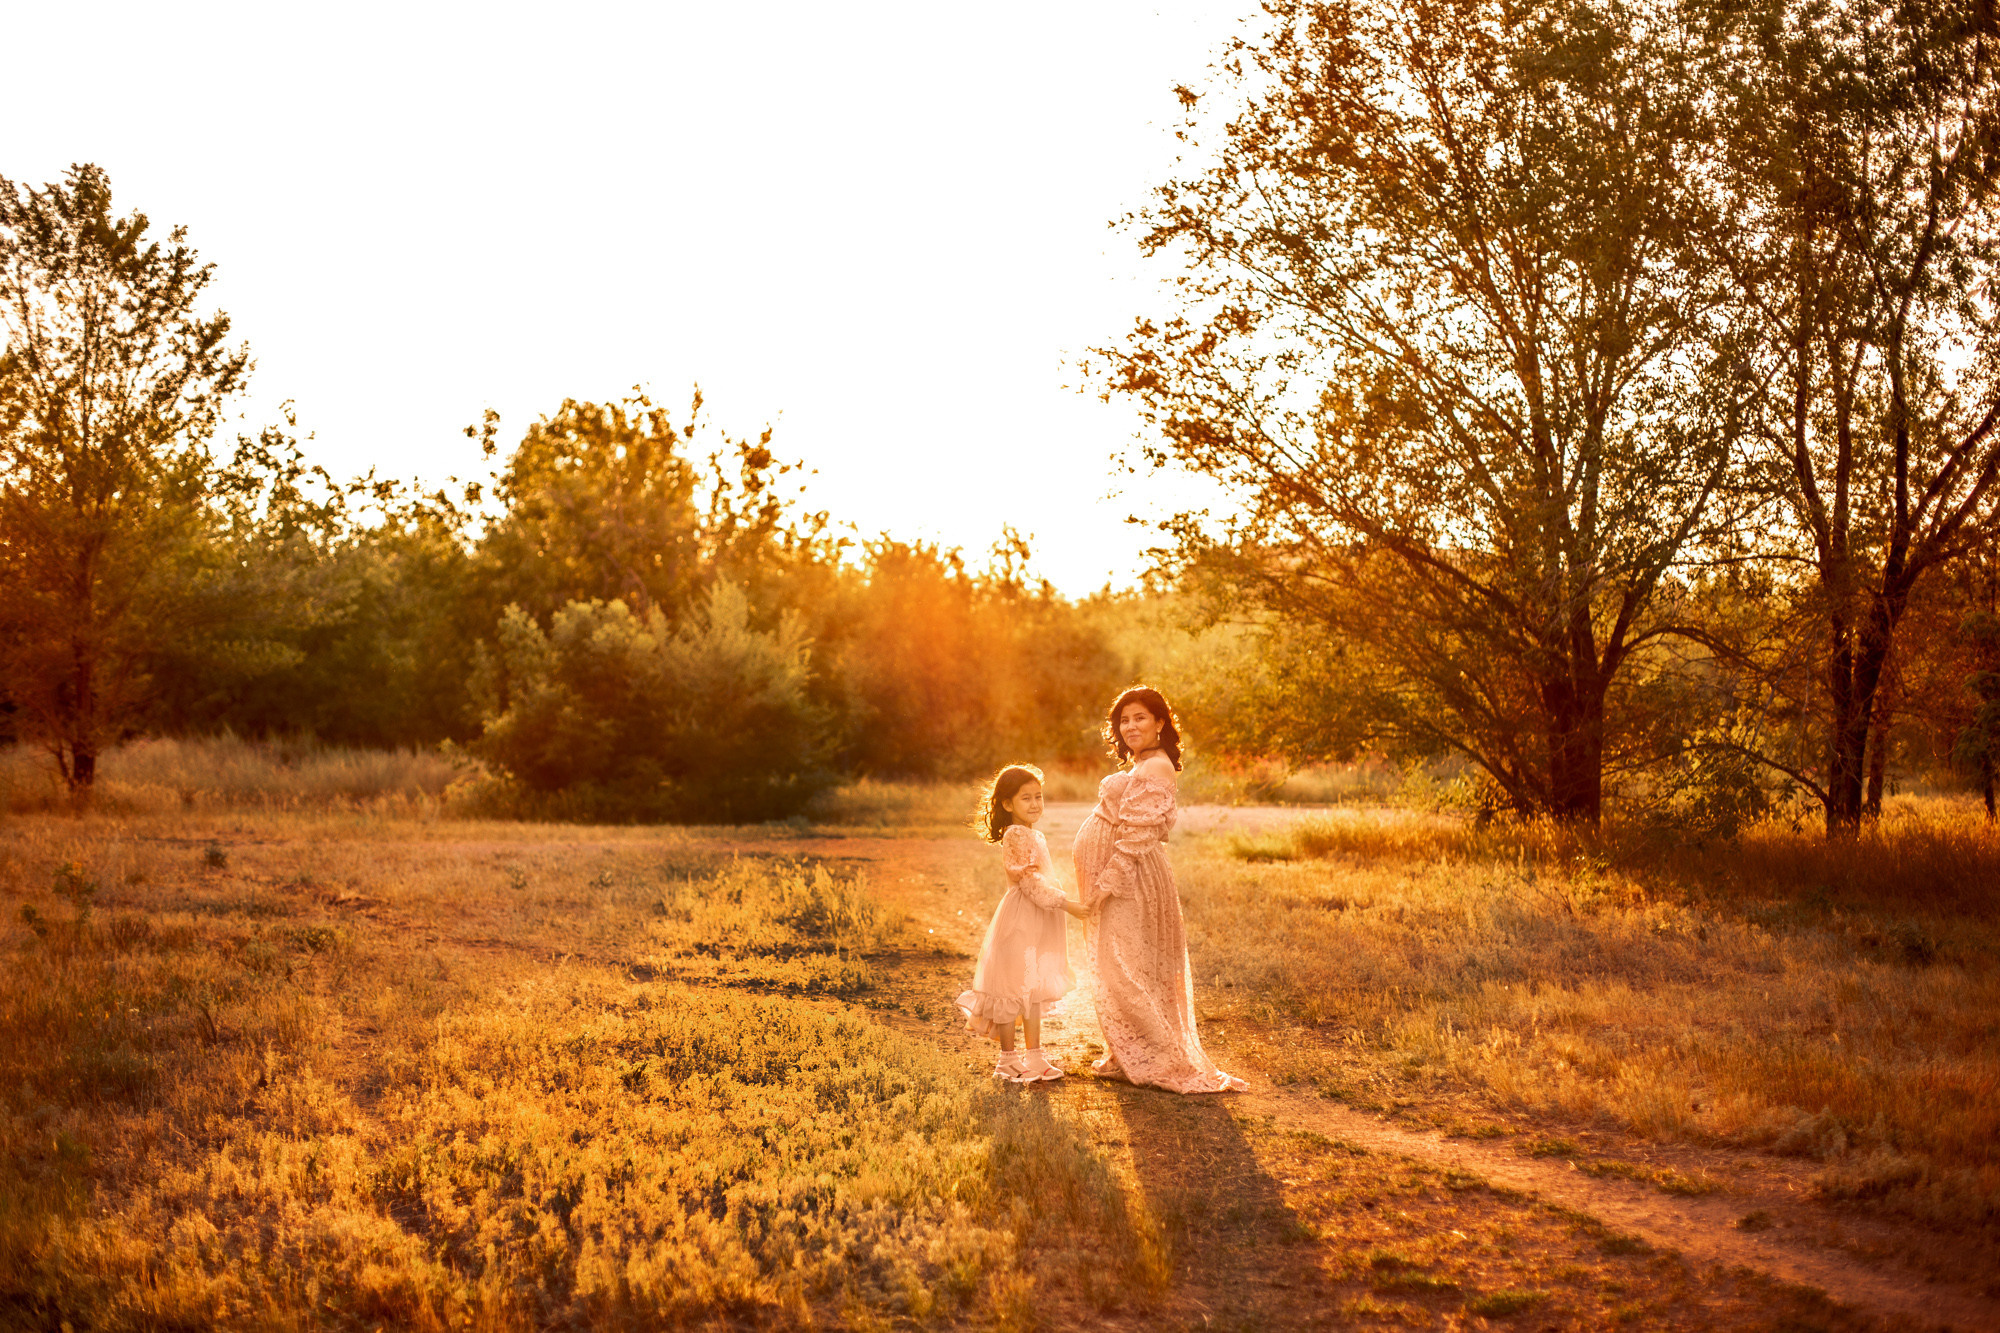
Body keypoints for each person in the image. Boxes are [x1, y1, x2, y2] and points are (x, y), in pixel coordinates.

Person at [1074, 686, 1247, 1093]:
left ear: (1160, 723)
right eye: (1124, 719)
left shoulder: (1156, 767)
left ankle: (1161, 1057)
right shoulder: (1144, 763)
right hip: (1127, 873)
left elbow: (1137, 835)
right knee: (1127, 963)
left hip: (1131, 877)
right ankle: (1132, 1050)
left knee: (1126, 966)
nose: (1130, 726)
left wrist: (1105, 885)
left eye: (1140, 718)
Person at [956, 764, 1089, 1083]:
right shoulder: (1015, 833)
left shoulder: (1032, 832)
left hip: (1038, 919)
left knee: (1033, 988)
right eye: (1026, 798)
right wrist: (1067, 904)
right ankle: (1007, 1060)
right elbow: (1028, 881)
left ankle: (1034, 1056)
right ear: (1007, 804)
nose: (1034, 804)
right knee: (1013, 989)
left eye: (1038, 797)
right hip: (1021, 919)